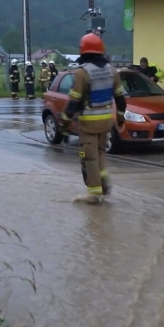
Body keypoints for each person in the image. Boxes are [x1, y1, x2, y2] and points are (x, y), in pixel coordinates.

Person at [63, 33, 127, 204]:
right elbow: (121, 100)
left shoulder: (82, 73)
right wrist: (120, 120)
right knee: (100, 153)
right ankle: (104, 184)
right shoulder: (112, 71)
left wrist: (64, 121)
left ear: (83, 52)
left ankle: (94, 193)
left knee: (88, 157)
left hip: (89, 124)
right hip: (106, 122)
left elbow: (74, 102)